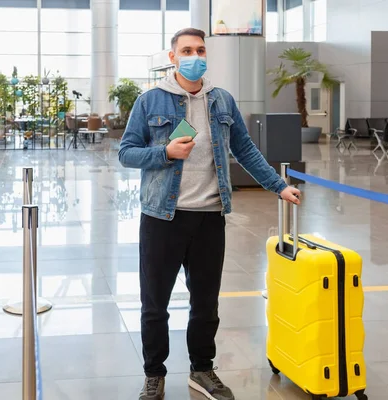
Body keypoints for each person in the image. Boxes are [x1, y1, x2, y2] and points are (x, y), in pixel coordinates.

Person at [118, 27, 301, 400]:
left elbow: (245, 149)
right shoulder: (150, 100)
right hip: (162, 217)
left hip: (210, 216)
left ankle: (202, 370)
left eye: (200, 49)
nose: (194, 56)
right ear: (172, 57)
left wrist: (277, 186)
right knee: (155, 303)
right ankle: (155, 374)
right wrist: (164, 153)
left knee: (206, 302)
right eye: (186, 50)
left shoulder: (221, 101)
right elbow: (126, 152)